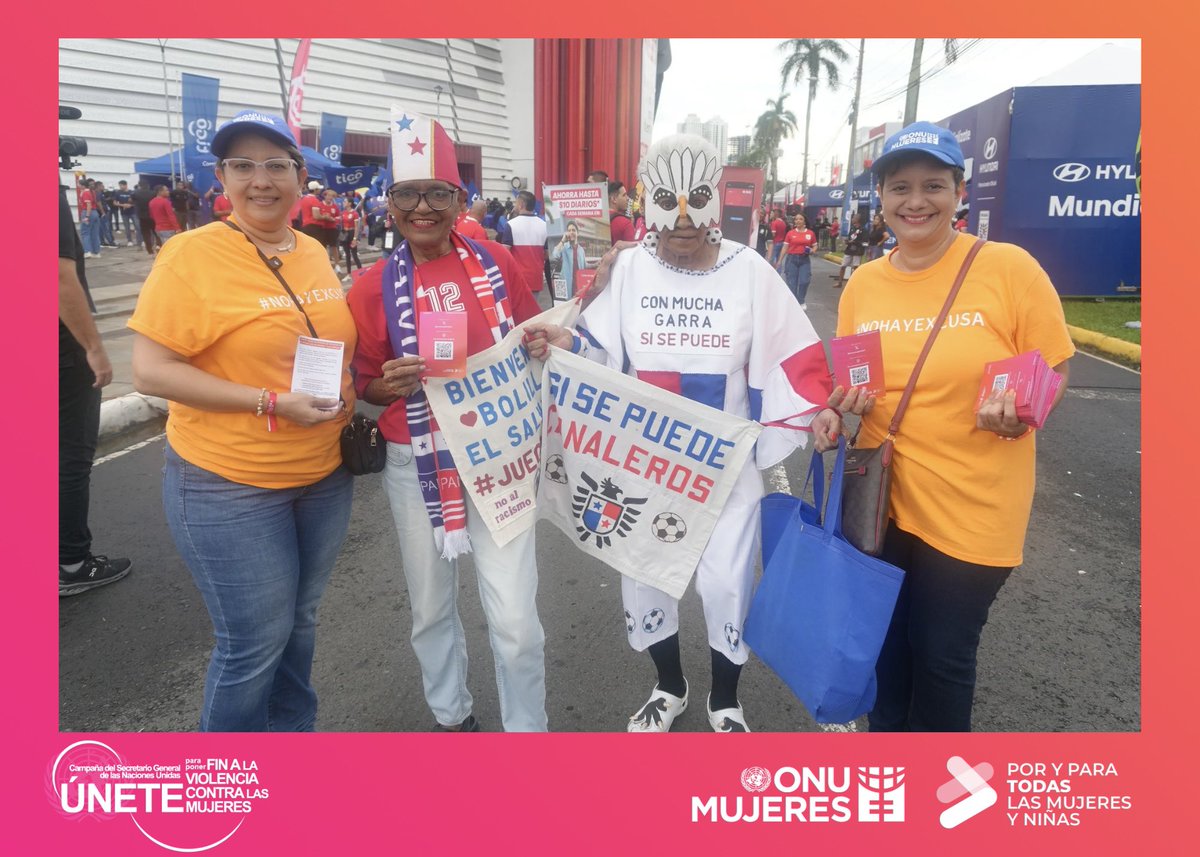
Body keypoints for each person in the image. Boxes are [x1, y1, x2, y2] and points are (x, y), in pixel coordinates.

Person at [526, 134, 840, 733]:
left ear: (716, 201)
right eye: (668, 203)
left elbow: (795, 353)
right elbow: (598, 347)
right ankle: (668, 686)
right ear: (649, 203)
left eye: (698, 200)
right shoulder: (629, 269)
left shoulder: (749, 269)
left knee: (726, 585)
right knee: (645, 579)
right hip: (643, 461)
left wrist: (817, 407)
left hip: (726, 463)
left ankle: (726, 700)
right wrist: (568, 343)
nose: (685, 220)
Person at [831, 121, 1074, 732]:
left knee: (942, 655)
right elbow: (856, 380)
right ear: (881, 197)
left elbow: (1053, 367)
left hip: (974, 505)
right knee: (885, 650)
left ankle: (939, 786)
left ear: (959, 193)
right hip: (880, 501)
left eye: (933, 186)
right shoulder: (864, 283)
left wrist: (1022, 414)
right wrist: (835, 409)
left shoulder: (1008, 268)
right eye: (900, 187)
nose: (916, 201)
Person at [128, 109, 356, 731]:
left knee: (300, 623)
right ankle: (228, 776)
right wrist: (270, 402)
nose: (261, 179)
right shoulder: (189, 254)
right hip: (229, 483)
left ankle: (290, 746)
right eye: (243, 165)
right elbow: (150, 371)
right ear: (221, 178)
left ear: (300, 176)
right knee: (253, 644)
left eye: (276, 165)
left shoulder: (311, 249)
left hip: (323, 474)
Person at [346, 111, 547, 733]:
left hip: (499, 456)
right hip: (416, 463)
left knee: (516, 622)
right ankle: (451, 717)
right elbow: (364, 384)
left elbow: (533, 335)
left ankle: (528, 735)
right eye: (407, 194)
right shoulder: (370, 287)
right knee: (430, 610)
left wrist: (544, 341)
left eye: (438, 193)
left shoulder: (496, 263)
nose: (423, 208)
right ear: (390, 204)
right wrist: (389, 384)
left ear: (460, 201)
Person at [59, 182, 132, 597]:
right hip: (60, 347)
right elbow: (57, 275)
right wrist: (94, 347)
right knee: (69, 455)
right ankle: (71, 563)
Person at [509, 189, 550, 305]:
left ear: (521, 204)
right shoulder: (544, 226)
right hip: (536, 278)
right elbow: (547, 254)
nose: (515, 205)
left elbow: (504, 254)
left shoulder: (510, 225)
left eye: (516, 202)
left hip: (516, 279)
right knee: (533, 311)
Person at [776, 212, 817, 308]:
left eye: (800, 219)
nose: (798, 221)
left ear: (804, 221)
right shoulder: (790, 233)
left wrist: (812, 250)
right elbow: (785, 247)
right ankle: (794, 303)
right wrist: (779, 260)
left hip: (804, 259)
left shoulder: (810, 233)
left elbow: (815, 245)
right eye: (796, 219)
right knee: (791, 283)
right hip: (792, 259)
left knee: (804, 281)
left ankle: (801, 300)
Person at [549, 220, 587, 298]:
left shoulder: (581, 250)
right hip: (565, 285)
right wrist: (563, 241)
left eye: (573, 230)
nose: (571, 232)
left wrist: (596, 264)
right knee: (564, 304)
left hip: (578, 286)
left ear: (578, 233)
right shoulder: (564, 247)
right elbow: (555, 255)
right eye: (569, 230)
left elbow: (584, 265)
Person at [833, 213, 865, 287]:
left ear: (857, 219)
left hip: (857, 250)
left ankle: (853, 284)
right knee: (843, 266)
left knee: (855, 267)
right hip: (849, 250)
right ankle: (839, 282)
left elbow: (864, 241)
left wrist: (854, 242)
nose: (852, 219)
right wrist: (847, 241)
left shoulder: (863, 230)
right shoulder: (852, 228)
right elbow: (850, 237)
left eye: (854, 218)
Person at [77, 177, 101, 258]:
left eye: (79, 184)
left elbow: (88, 205)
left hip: (88, 212)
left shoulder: (85, 193)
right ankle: (96, 252)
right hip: (95, 213)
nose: (78, 185)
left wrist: (87, 216)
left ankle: (87, 251)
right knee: (95, 233)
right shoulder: (92, 192)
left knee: (85, 232)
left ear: (83, 185)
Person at [132, 179, 158, 256]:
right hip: (152, 215)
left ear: (139, 185)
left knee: (145, 233)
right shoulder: (153, 193)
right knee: (156, 232)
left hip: (142, 216)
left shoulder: (135, 193)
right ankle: (159, 246)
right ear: (148, 185)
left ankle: (149, 250)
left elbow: (131, 200)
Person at [339, 196, 362, 280]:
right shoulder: (343, 213)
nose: (343, 203)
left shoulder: (355, 213)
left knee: (354, 254)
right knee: (347, 255)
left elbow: (357, 227)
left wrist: (355, 238)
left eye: (345, 201)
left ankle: (361, 271)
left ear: (350, 203)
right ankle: (348, 273)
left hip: (352, 233)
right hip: (345, 234)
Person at [114, 180, 138, 247]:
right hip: (124, 213)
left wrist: (130, 205)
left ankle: (140, 240)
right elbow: (114, 203)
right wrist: (122, 205)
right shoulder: (118, 193)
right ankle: (129, 241)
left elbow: (137, 202)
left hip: (133, 212)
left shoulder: (132, 192)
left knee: (137, 226)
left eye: (121, 185)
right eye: (119, 185)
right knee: (127, 227)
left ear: (125, 185)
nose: (120, 187)